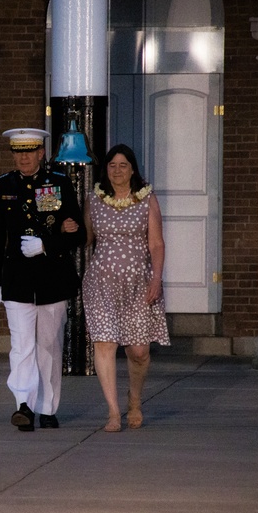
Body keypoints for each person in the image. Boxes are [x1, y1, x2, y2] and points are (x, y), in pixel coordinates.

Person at [0, 128, 85, 431]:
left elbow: (78, 233)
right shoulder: (3, 185)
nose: (24, 158)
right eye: (18, 152)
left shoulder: (58, 183)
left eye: (29, 152)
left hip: (51, 277)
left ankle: (48, 407)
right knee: (21, 346)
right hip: (16, 278)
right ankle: (24, 405)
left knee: (49, 345)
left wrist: (47, 244)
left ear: (41, 153)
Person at [82, 144, 170, 432]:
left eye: (122, 165)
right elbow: (86, 240)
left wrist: (156, 279)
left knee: (139, 351)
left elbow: (156, 243)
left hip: (138, 284)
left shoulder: (146, 200)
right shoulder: (94, 200)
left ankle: (134, 399)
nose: (117, 170)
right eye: (112, 165)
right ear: (105, 170)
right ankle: (113, 411)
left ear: (133, 169)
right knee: (105, 343)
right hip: (101, 282)